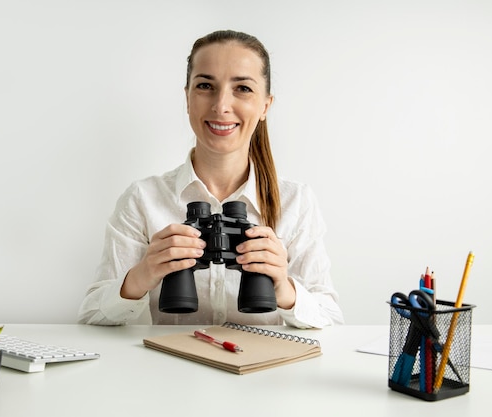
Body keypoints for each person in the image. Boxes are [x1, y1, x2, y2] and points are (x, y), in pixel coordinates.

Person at [78, 30, 343, 328]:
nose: (221, 106)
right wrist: (142, 276)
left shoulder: (296, 202)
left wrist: (282, 287)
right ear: (187, 98)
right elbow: (91, 316)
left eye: (242, 88)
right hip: (169, 371)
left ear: (265, 106)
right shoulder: (144, 199)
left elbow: (330, 318)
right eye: (205, 86)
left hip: (263, 372)